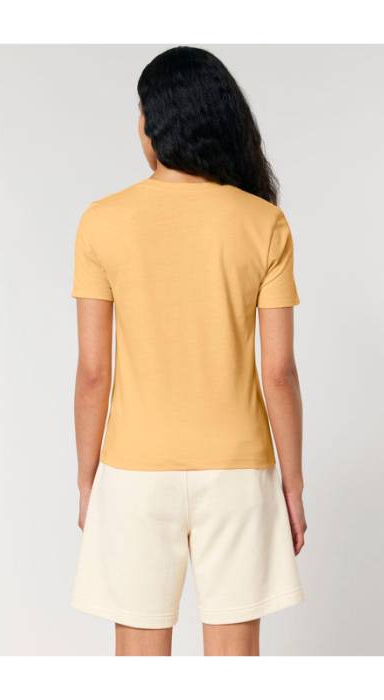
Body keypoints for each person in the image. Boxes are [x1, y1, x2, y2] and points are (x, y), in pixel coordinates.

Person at [70, 46, 306, 656]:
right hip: (238, 471)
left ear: (155, 122)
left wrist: (89, 479)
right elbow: (279, 373)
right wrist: (293, 484)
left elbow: (94, 373)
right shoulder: (264, 223)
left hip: (134, 471)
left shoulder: (102, 221)